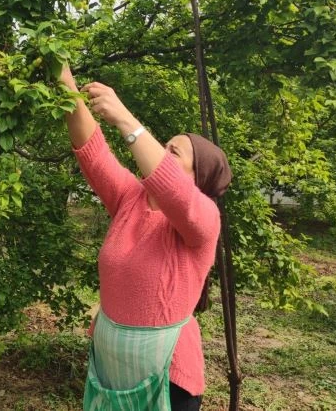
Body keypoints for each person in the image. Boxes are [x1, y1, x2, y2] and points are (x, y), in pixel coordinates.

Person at [60, 66, 231, 411]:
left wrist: (124, 118)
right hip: (110, 373)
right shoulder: (130, 199)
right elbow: (91, 149)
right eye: (162, 147)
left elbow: (171, 187)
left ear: (196, 179)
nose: (161, 154)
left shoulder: (204, 219)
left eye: (173, 153)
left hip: (168, 380)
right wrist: (63, 78)